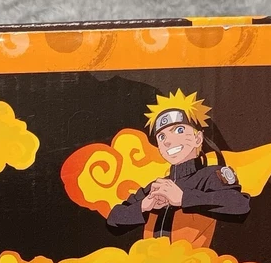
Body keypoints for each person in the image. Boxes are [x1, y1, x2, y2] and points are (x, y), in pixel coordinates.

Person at [107, 90, 250, 247]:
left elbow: (240, 205)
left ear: (198, 138)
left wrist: (183, 198)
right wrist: (144, 205)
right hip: (152, 260)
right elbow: (113, 220)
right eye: (161, 136)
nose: (168, 141)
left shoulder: (211, 176)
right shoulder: (156, 186)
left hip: (197, 260)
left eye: (179, 130)